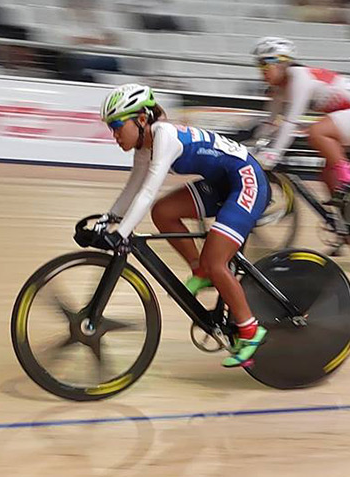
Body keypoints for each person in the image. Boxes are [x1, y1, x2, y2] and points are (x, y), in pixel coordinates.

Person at [99, 83, 270, 367]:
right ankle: (199, 269)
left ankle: (250, 329)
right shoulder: (144, 144)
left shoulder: (163, 136)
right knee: (164, 213)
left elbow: (147, 191)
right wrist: (109, 218)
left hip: (246, 180)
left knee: (217, 262)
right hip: (222, 183)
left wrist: (122, 233)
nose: (114, 135)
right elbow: (133, 188)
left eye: (117, 126)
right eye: (110, 128)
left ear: (142, 119)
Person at [250, 37, 350, 200]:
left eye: (265, 64)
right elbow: (270, 123)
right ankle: (343, 222)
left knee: (317, 132)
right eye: (258, 65)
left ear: (281, 63)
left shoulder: (299, 76)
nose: (261, 70)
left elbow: (290, 121)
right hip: (349, 117)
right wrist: (252, 146)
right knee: (328, 177)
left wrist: (274, 154)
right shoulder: (279, 88)